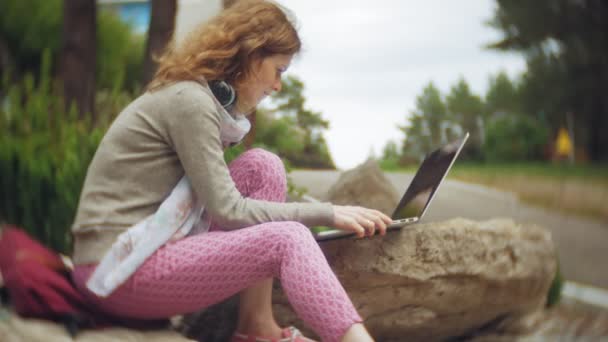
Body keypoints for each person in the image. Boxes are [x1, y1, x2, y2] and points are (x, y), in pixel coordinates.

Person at [70, 1, 391, 341]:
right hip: (116, 268)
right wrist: (328, 213)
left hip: (145, 247)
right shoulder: (190, 102)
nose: (278, 85)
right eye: (278, 71)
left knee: (263, 166)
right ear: (252, 56)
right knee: (287, 237)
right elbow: (229, 210)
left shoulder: (198, 98)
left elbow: (218, 201)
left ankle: (256, 326)